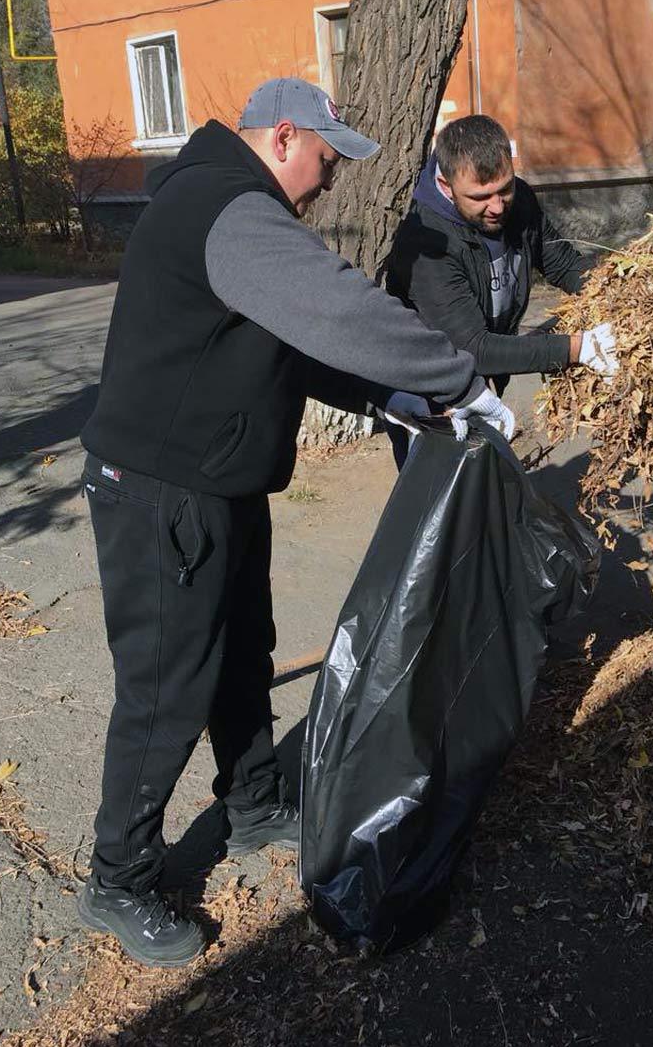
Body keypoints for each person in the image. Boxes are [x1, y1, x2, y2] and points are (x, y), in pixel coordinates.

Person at [77, 77, 514, 968]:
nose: (326, 181)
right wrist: (455, 377)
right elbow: (336, 308)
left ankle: (251, 804)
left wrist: (392, 397)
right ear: (283, 138)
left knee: (243, 649)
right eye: (323, 158)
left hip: (215, 481)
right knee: (167, 687)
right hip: (162, 490)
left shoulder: (229, 208)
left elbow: (287, 346)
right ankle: (118, 875)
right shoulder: (229, 209)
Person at [383, 115, 618, 466]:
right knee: (445, 505)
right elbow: (472, 348)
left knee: (494, 486)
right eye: (480, 197)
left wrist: (620, 289)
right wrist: (579, 347)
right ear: (446, 186)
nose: (497, 206)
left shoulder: (518, 199)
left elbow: (561, 262)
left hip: (488, 377)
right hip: (432, 396)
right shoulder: (424, 242)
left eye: (503, 188)